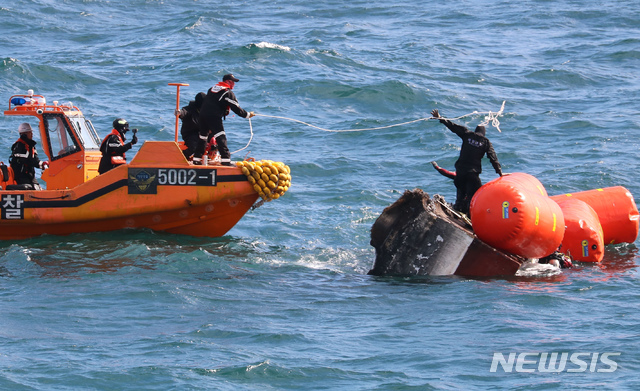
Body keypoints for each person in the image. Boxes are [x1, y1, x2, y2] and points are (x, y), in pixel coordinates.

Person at [431, 109, 502, 215]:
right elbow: (493, 158)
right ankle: (470, 217)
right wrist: (499, 172)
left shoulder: (467, 134)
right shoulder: (486, 142)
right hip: (472, 174)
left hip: (460, 172)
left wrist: (440, 118)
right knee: (475, 196)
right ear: (484, 133)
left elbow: (453, 127)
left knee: (460, 194)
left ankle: (457, 211)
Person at [196, 74, 255, 166]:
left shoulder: (212, 89)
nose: (234, 85)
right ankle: (226, 161)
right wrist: (247, 115)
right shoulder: (227, 92)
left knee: (203, 137)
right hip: (214, 116)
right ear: (227, 81)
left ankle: (197, 158)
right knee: (221, 137)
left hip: (202, 115)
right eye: (232, 82)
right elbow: (235, 107)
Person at [9, 123, 49, 190]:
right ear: (24, 134)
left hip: (29, 176)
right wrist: (39, 164)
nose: (32, 134)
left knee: (40, 189)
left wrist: (43, 164)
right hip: (21, 176)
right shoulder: (19, 146)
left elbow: (34, 159)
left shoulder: (30, 145)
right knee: (35, 189)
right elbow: (28, 160)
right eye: (30, 132)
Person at [176, 92, 206, 159]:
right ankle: (181, 157)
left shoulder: (206, 110)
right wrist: (179, 112)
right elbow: (184, 112)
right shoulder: (190, 108)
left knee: (215, 141)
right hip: (190, 133)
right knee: (194, 147)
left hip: (202, 132)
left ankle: (207, 157)